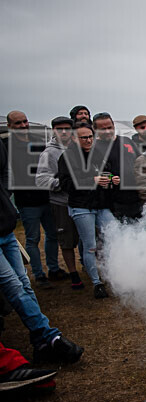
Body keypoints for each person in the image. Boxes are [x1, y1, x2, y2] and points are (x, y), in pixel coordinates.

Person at [0, 137, 84, 362]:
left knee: (23, 285)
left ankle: (41, 342)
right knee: (14, 286)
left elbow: (6, 176)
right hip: (23, 213)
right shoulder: (49, 152)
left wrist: (4, 202)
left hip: (5, 229)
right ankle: (49, 337)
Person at [5, 111, 64, 288]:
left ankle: (54, 269)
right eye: (18, 123)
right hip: (26, 201)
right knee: (32, 238)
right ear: (9, 126)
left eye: (25, 122)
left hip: (46, 197)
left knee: (53, 234)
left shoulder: (39, 143)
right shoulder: (5, 146)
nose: (23, 126)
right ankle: (39, 275)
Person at [57, 122, 114, 299]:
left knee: (114, 237)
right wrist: (93, 179)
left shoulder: (98, 154)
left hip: (102, 204)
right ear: (75, 138)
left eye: (91, 137)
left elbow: (107, 172)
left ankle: (115, 277)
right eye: (84, 138)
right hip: (81, 206)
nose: (89, 140)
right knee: (90, 245)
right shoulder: (67, 157)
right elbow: (66, 184)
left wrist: (111, 179)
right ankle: (97, 283)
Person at [35, 116, 84, 290]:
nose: (64, 132)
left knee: (85, 238)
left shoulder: (78, 147)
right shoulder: (49, 153)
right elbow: (40, 180)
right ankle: (73, 274)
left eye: (67, 128)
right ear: (54, 130)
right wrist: (62, 184)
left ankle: (86, 267)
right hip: (61, 203)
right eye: (59, 128)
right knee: (66, 240)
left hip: (80, 202)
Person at [93, 113, 141, 221]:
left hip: (135, 198)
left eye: (110, 127)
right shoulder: (93, 148)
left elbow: (140, 163)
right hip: (112, 203)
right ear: (95, 129)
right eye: (103, 129)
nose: (107, 131)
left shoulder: (127, 141)